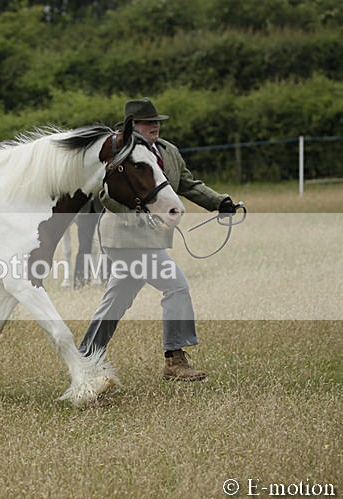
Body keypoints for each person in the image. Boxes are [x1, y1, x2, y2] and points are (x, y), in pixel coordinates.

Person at [78, 97, 238, 381]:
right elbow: (106, 196)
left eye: (157, 121)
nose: (155, 126)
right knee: (176, 286)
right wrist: (140, 215)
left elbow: (188, 184)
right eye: (148, 122)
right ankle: (174, 359)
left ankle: (86, 356)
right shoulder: (120, 153)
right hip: (125, 237)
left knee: (117, 299)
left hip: (151, 240)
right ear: (132, 125)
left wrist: (219, 202)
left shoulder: (168, 151)